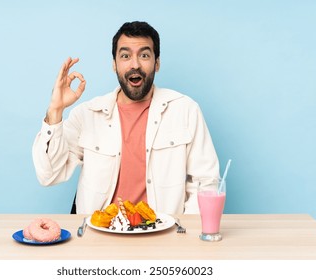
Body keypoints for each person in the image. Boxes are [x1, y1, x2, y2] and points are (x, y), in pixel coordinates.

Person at [32, 21, 219, 215]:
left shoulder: (186, 110)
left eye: (144, 55)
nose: (135, 64)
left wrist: (182, 237)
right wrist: (55, 110)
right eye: (125, 56)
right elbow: (49, 175)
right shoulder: (86, 114)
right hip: (99, 236)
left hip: (163, 236)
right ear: (114, 64)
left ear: (157, 63)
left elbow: (205, 183)